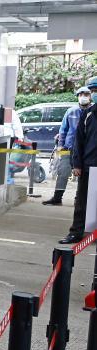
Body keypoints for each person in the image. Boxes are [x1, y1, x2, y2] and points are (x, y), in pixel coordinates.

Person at [60, 76, 97, 244]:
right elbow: (78, 141)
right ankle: (76, 232)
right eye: (92, 91)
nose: (93, 94)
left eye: (96, 90)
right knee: (82, 201)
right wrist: (77, 164)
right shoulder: (88, 114)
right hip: (89, 166)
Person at [43, 86, 91, 206]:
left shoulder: (93, 112)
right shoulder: (71, 111)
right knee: (63, 172)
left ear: (90, 96)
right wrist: (60, 145)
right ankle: (57, 198)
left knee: (84, 176)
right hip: (69, 148)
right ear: (77, 97)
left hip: (87, 149)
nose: (83, 97)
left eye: (86, 94)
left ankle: (79, 199)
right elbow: (63, 130)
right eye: (80, 95)